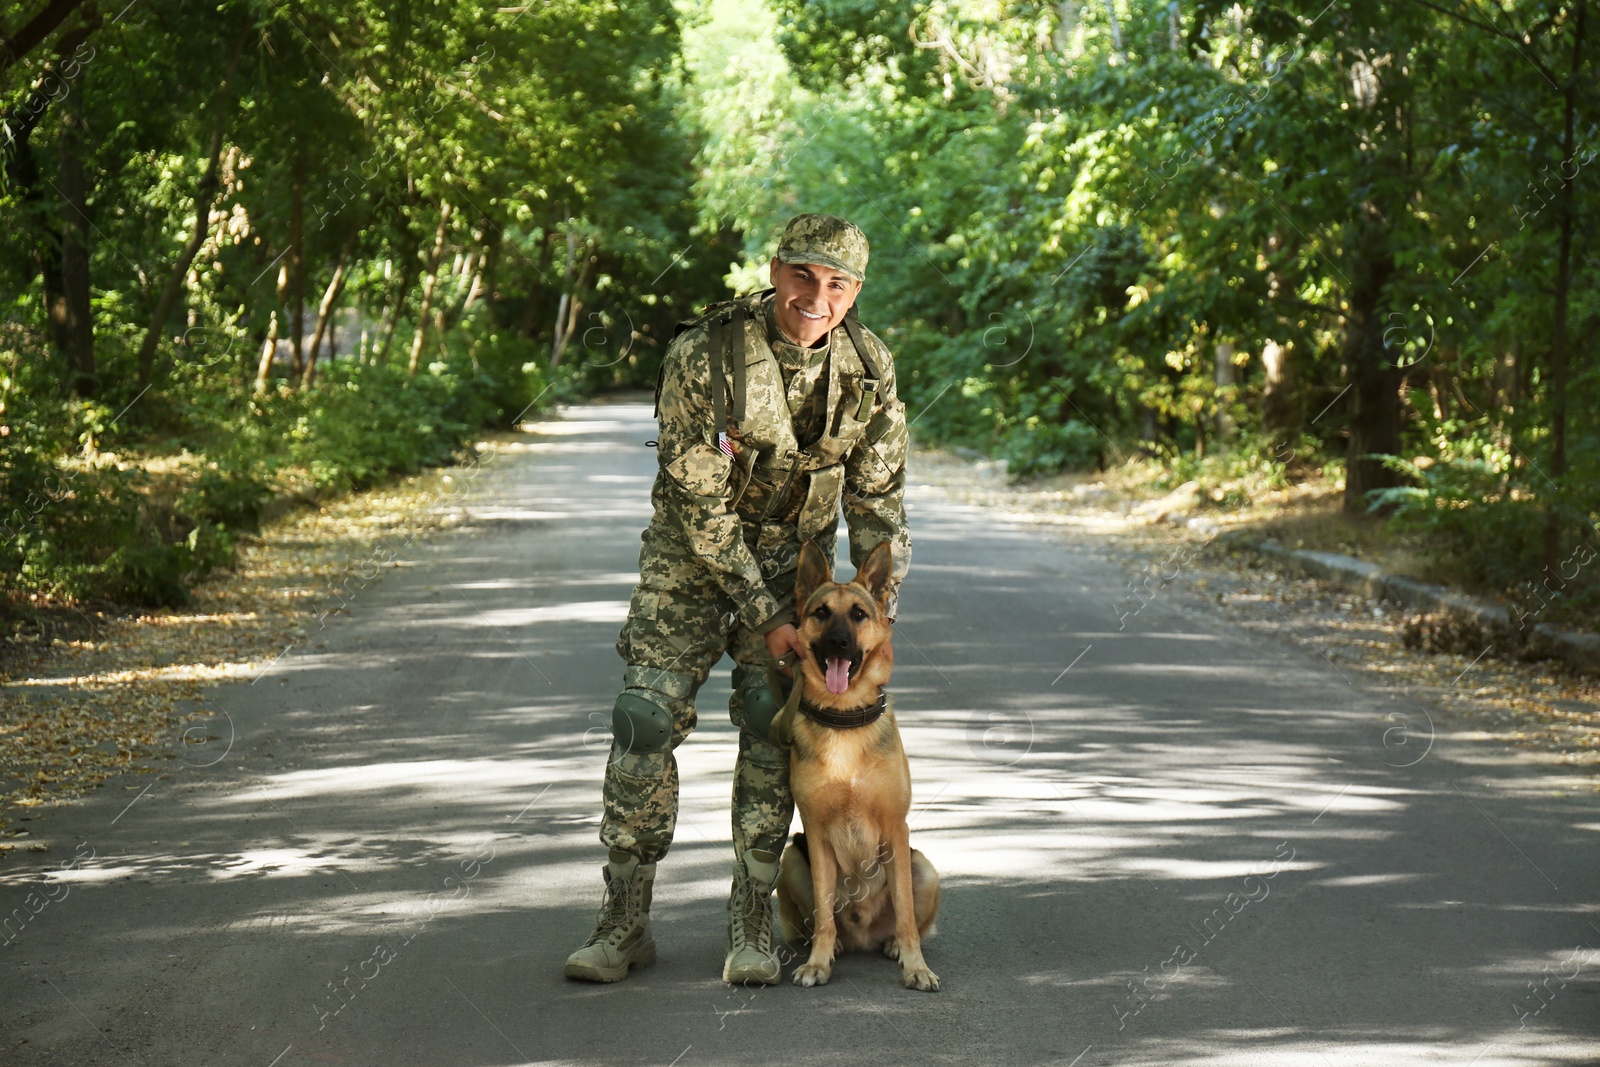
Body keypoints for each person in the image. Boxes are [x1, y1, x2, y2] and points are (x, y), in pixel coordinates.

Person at [563, 213, 912, 985]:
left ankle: (752, 919)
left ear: (855, 292)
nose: (816, 297)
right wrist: (769, 616)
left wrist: (871, 616)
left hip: (800, 570)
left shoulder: (868, 367)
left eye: (838, 284)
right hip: (694, 560)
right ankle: (623, 920)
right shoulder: (705, 355)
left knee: (768, 719)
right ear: (776, 269)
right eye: (803, 276)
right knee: (644, 716)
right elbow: (701, 508)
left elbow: (879, 498)